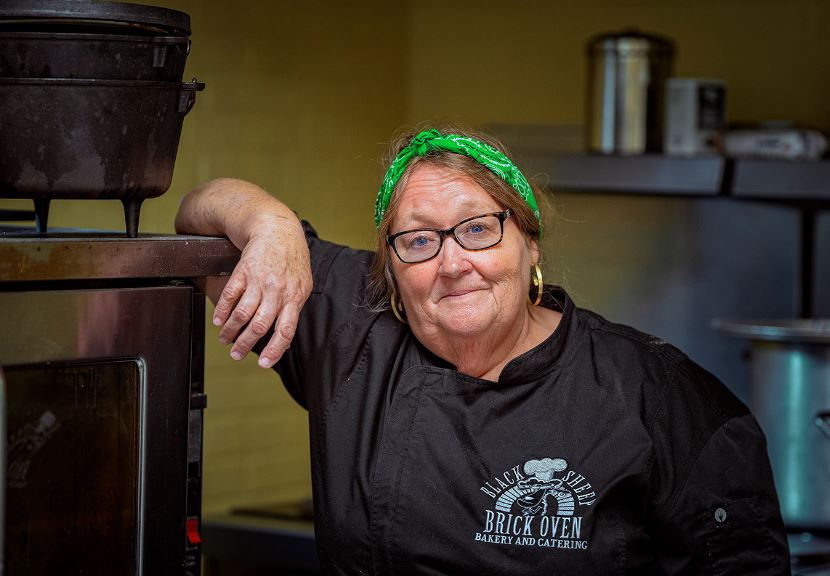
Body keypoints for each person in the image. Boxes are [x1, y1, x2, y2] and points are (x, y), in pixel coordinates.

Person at [175, 127, 790, 575]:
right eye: (417, 239)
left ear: (530, 243)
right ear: (389, 269)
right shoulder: (352, 328)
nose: (451, 263)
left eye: (477, 229)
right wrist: (273, 224)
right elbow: (196, 218)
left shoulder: (657, 395)